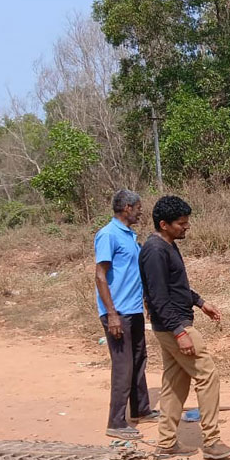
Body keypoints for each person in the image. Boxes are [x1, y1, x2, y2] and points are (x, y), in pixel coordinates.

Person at [139, 195, 230, 460]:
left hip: (174, 323)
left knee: (174, 384)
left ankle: (166, 442)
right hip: (174, 325)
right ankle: (212, 441)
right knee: (208, 375)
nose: (186, 227)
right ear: (164, 224)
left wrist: (200, 302)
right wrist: (180, 332)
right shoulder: (155, 251)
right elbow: (158, 298)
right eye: (181, 223)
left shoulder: (167, 245)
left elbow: (176, 287)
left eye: (186, 222)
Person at [94, 189, 159, 441]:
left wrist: (146, 302)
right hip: (118, 312)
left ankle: (141, 408)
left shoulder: (130, 236)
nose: (141, 213)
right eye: (138, 208)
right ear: (127, 208)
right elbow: (101, 275)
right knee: (123, 366)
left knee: (139, 359)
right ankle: (116, 422)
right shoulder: (108, 235)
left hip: (133, 310)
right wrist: (111, 314)